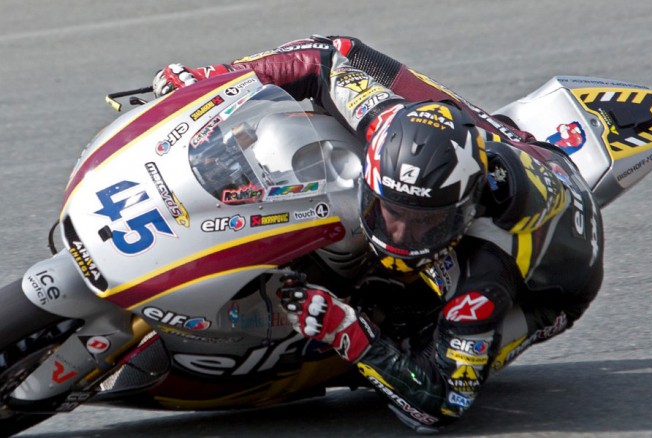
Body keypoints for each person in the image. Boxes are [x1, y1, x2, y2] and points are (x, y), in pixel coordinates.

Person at [152, 36, 603, 432]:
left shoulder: (484, 278)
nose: (400, 232)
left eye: (424, 222)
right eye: (390, 210)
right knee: (343, 51)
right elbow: (323, 60)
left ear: (461, 212)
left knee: (403, 331)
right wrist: (214, 81)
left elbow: (441, 405)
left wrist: (347, 330)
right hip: (505, 144)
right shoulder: (388, 123)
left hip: (548, 291)